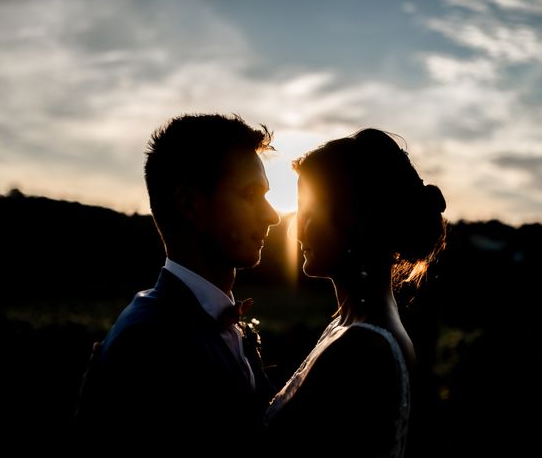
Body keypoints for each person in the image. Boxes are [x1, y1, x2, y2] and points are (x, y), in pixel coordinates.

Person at [73, 113, 281, 452]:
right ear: (190, 205)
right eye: (250, 195)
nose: (272, 215)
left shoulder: (203, 318)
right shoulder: (150, 341)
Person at [262, 128, 447, 456]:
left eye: (308, 212)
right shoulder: (349, 324)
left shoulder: (364, 345)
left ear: (358, 221)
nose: (296, 230)